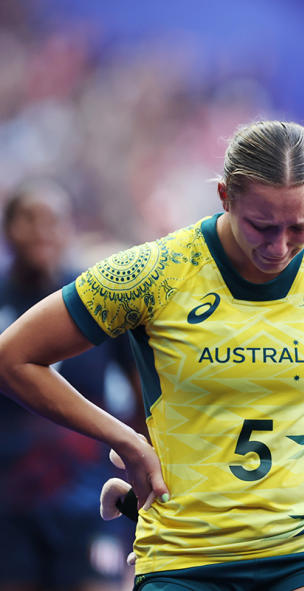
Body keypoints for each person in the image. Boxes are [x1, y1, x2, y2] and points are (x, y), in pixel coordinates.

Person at [0, 120, 304, 591]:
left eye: (300, 226)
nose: (279, 247)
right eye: (261, 225)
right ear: (224, 197)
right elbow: (14, 359)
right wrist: (126, 439)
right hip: (185, 553)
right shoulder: (154, 272)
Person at [0, 180, 139, 591]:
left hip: (88, 501)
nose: (42, 230)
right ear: (9, 229)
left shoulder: (97, 303)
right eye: (30, 219)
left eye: (54, 220)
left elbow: (144, 399)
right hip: (9, 504)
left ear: (70, 230)